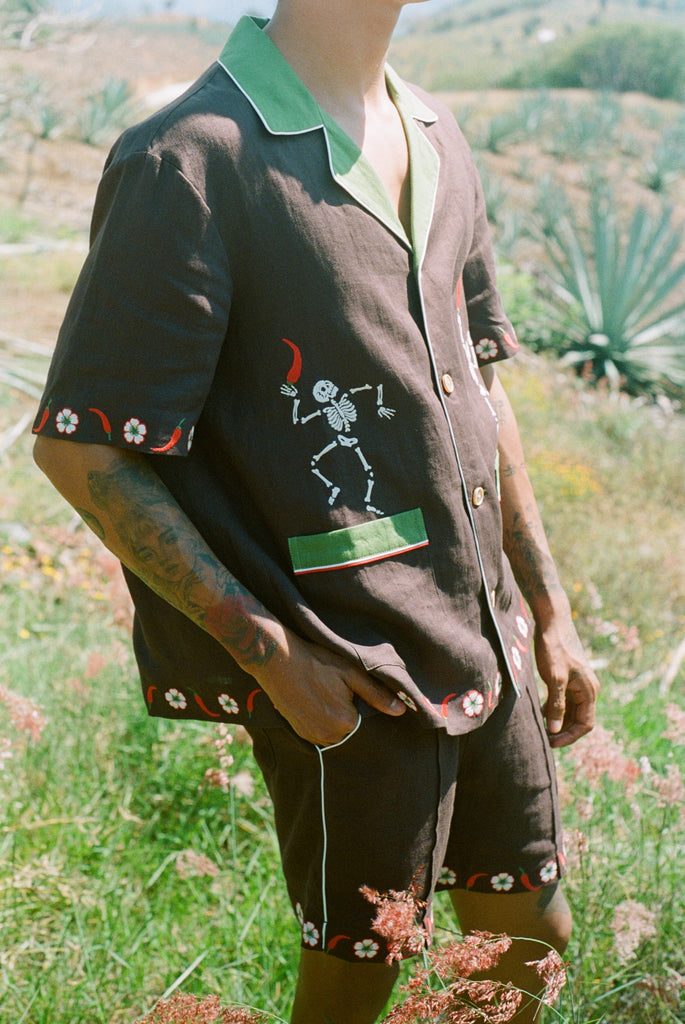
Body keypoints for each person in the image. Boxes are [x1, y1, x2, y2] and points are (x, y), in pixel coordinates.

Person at [33, 1, 599, 1021]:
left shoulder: (433, 131)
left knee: (529, 936)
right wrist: (270, 655)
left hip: (491, 637)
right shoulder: (192, 159)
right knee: (358, 977)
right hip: (348, 663)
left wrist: (548, 612)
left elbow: (479, 381)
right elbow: (84, 449)